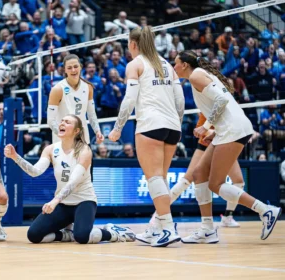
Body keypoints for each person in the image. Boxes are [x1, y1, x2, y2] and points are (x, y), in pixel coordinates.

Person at [173, 50, 282, 243]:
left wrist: (205, 127)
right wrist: (214, 131)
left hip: (233, 130)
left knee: (215, 184)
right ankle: (207, 229)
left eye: (176, 63)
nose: (174, 68)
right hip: (227, 129)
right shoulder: (199, 75)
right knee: (199, 174)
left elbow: (222, 100)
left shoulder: (196, 74)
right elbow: (225, 104)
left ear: (184, 65)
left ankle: (265, 211)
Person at [108, 26, 185, 247]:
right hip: (172, 127)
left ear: (133, 44)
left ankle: (169, 228)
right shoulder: (168, 65)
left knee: (154, 179)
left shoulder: (136, 64)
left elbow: (129, 100)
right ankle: (156, 227)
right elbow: (180, 100)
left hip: (150, 125)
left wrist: (117, 128)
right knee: (160, 179)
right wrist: (176, 123)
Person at [5, 114, 135, 244]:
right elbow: (35, 172)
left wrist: (54, 201)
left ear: (76, 131)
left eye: (67, 122)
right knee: (33, 235)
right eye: (61, 121)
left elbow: (73, 182)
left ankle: (113, 233)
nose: (62, 123)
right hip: (63, 204)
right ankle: (66, 235)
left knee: (82, 237)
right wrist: (15, 157)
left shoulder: (84, 150)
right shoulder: (51, 149)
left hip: (84, 201)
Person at [48, 54, 104, 146]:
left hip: (83, 139)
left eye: (75, 66)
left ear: (81, 67)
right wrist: (62, 134)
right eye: (69, 68)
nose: (73, 70)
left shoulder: (88, 87)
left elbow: (91, 114)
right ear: (65, 70)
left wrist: (97, 131)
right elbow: (50, 120)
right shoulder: (57, 89)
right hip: (63, 142)